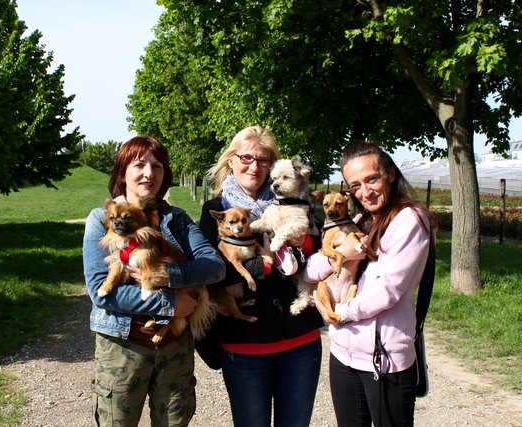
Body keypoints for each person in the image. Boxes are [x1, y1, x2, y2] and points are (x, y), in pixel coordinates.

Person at [82, 136, 226, 426]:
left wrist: (170, 276)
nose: (149, 172)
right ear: (123, 172)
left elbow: (214, 266)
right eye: (139, 165)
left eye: (157, 165)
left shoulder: (177, 219)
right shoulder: (101, 219)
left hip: (174, 349)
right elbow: (101, 292)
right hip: (122, 348)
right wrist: (170, 304)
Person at [197, 124, 328, 427]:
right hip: (245, 346)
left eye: (263, 160)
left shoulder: (294, 202)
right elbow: (212, 271)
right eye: (246, 158)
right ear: (231, 160)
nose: (254, 166)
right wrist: (264, 265)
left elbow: (321, 247)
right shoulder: (214, 210)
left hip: (300, 341)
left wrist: (304, 242)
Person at [304, 141, 437, 426]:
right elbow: (310, 270)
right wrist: (337, 258)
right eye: (356, 186)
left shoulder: (409, 220)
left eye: (372, 179)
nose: (365, 191)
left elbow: (386, 291)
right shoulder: (360, 218)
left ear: (390, 173)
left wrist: (338, 313)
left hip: (384, 359)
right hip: (343, 353)